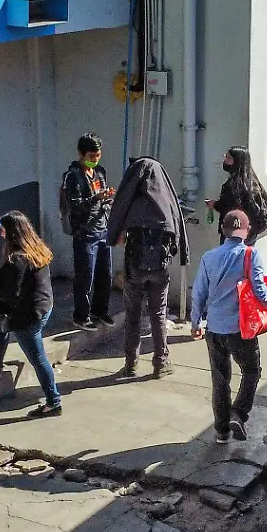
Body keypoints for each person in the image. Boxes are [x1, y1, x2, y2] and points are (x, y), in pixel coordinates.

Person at [190, 209, 267, 443]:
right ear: (246, 231)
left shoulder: (209, 257)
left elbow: (199, 294)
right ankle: (239, 412)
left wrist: (196, 322)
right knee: (252, 371)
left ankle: (222, 431)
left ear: (222, 231)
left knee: (220, 379)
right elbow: (258, 288)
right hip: (241, 329)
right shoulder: (250, 254)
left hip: (214, 329)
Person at [108, 156, 190, 378]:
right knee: (158, 313)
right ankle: (161, 362)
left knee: (132, 314)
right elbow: (177, 233)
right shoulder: (166, 201)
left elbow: (117, 240)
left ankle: (131, 364)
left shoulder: (131, 204)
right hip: (160, 269)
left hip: (134, 268)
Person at [0, 212, 64, 417]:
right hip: (44, 307)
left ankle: (53, 402)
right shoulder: (37, 250)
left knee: (39, 359)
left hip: (28, 316)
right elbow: (23, 281)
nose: (1, 235)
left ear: (13, 233)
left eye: (3, 230)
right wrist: (2, 279)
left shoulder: (15, 259)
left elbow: (9, 294)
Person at [58, 132, 115, 330]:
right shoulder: (73, 177)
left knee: (105, 274)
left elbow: (102, 197)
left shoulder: (100, 172)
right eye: (92, 156)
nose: (95, 160)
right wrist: (96, 198)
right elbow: (75, 206)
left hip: (103, 229)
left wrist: (106, 197)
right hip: (84, 232)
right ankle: (81, 315)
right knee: (85, 276)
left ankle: (100, 310)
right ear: (81, 154)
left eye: (98, 155)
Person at [210, 146, 267, 242]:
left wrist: (214, 205)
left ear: (237, 162)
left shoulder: (234, 186)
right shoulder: (253, 183)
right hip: (248, 235)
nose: (225, 160)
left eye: (229, 158)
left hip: (234, 236)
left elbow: (231, 209)